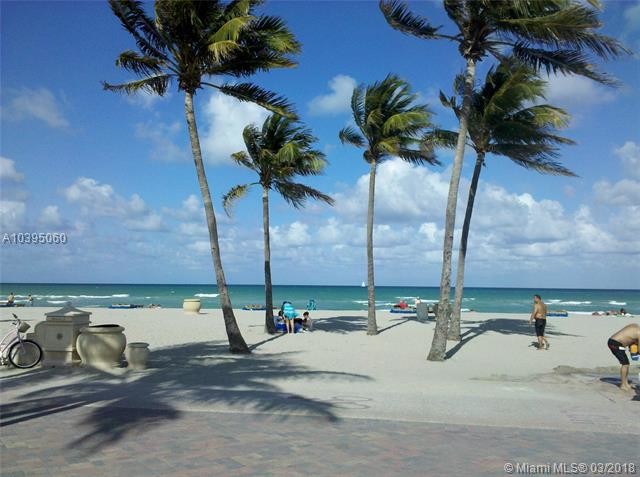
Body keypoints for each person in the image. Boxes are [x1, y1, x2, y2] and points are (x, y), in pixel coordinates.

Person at [607, 323, 640, 391]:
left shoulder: (635, 326)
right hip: (615, 344)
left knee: (626, 363)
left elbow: (628, 337)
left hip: (612, 341)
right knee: (625, 364)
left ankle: (625, 383)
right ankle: (623, 385)